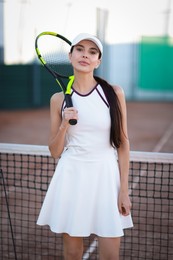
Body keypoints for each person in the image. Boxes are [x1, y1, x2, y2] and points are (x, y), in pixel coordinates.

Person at [37, 33, 133, 260]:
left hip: (106, 177)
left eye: (92, 52)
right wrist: (63, 125)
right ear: (70, 56)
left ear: (98, 62)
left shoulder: (114, 93)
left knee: (110, 254)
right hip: (71, 176)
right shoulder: (58, 100)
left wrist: (124, 191)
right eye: (80, 50)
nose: (85, 55)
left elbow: (123, 143)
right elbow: (55, 151)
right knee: (72, 253)